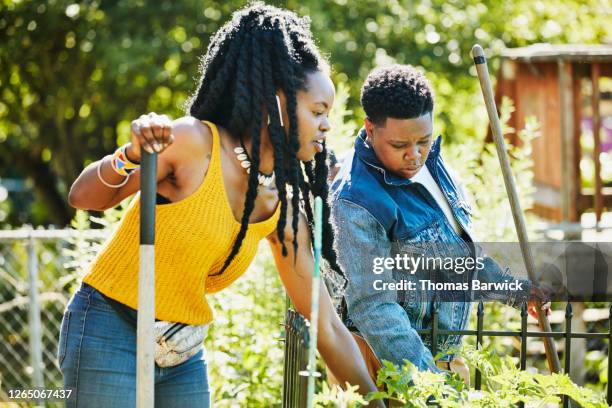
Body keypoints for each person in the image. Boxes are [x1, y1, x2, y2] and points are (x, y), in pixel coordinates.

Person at [59, 4, 384, 407]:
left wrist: (378, 403)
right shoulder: (193, 144)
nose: (326, 126)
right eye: (317, 111)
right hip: (111, 324)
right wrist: (131, 154)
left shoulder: (281, 204)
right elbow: (84, 197)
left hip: (180, 347)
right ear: (277, 104)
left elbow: (328, 328)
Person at [328, 64, 549, 385]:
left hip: (444, 357)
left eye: (424, 141)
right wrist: (428, 386)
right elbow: (374, 308)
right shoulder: (356, 199)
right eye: (400, 146)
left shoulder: (436, 168)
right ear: (370, 129)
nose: (415, 155)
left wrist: (516, 291)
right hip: (382, 367)